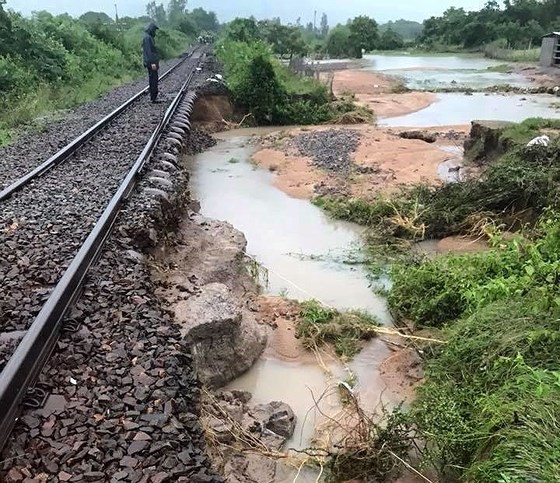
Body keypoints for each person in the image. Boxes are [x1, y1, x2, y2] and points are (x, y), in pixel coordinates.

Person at [143, 22, 160, 103]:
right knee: (153, 79)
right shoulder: (147, 38)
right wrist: (152, 63)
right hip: (151, 63)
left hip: (152, 62)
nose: (155, 32)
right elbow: (149, 52)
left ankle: (154, 96)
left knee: (154, 79)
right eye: (154, 30)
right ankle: (153, 97)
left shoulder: (149, 37)